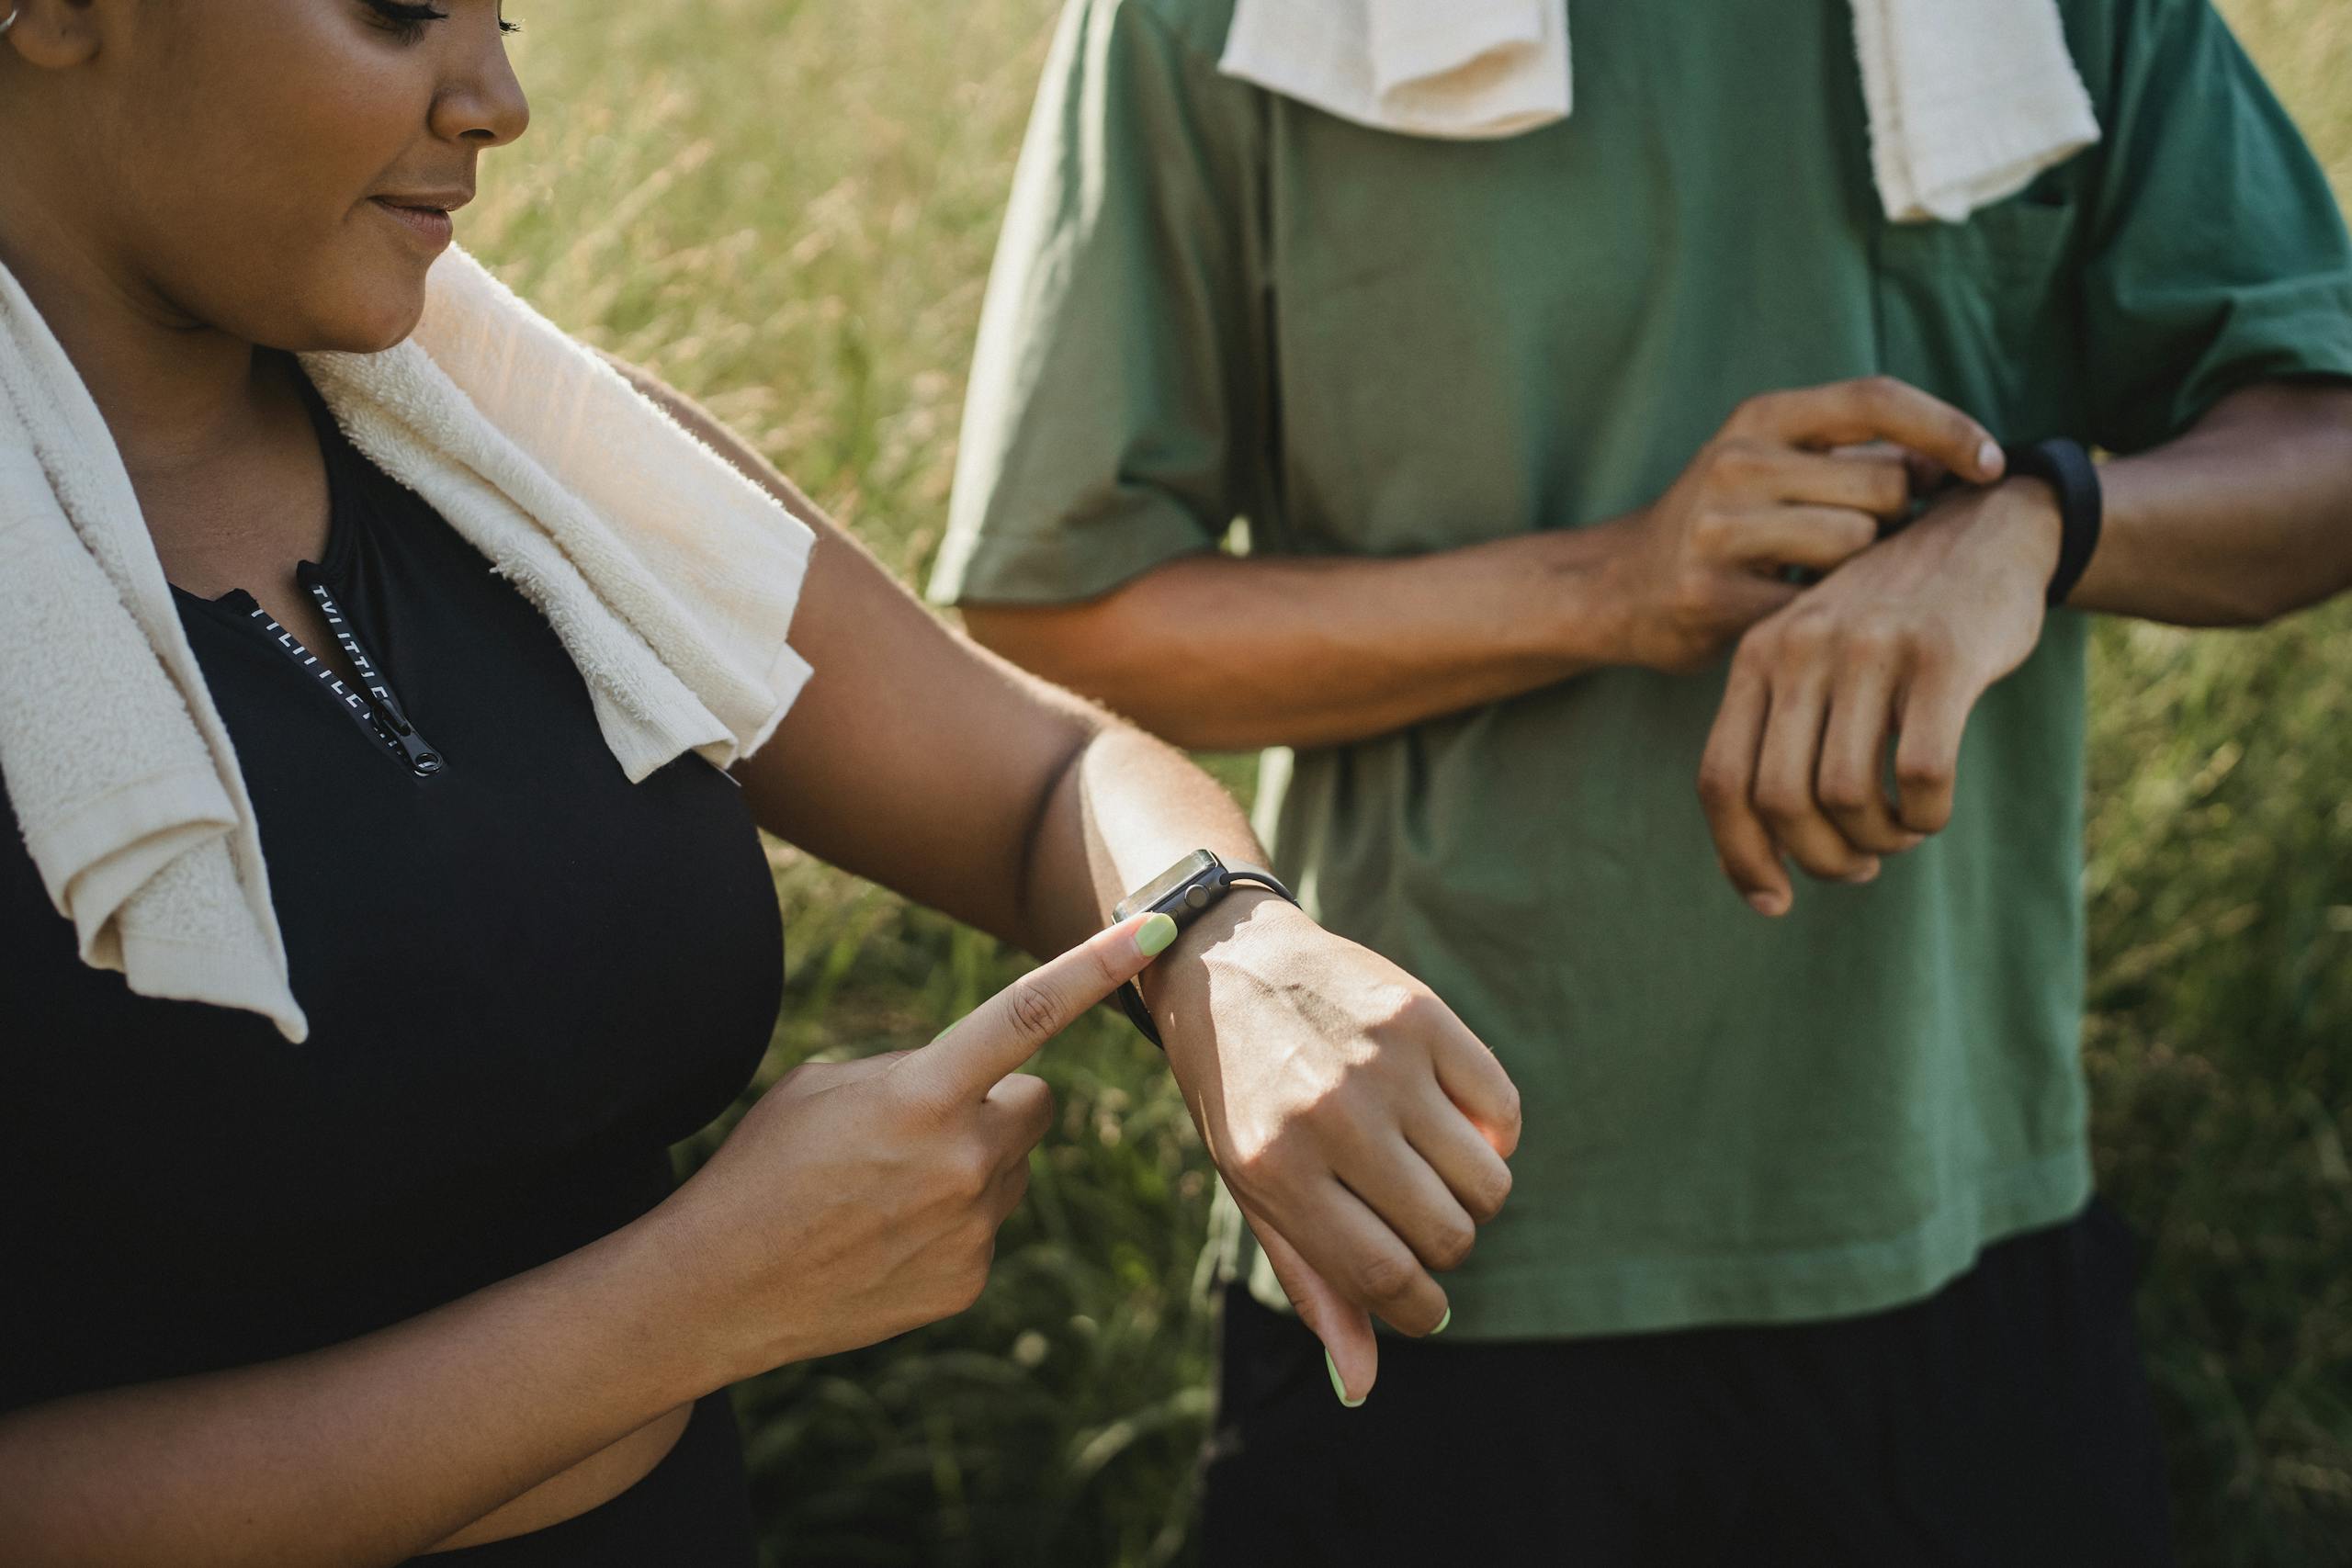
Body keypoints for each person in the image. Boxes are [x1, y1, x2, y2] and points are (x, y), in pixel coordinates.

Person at [0, 3, 1526, 1563]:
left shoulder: (523, 452)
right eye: (399, 11)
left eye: (503, 15)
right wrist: (685, 1308)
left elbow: (1043, 771)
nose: (499, 101)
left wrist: (1230, 943)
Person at [932, 0, 2352, 1562]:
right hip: (1426, 1226)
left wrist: (2032, 527)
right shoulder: (1209, 24)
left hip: (1966, 1226)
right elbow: (1059, 605)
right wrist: (1612, 585)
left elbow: (2319, 449)